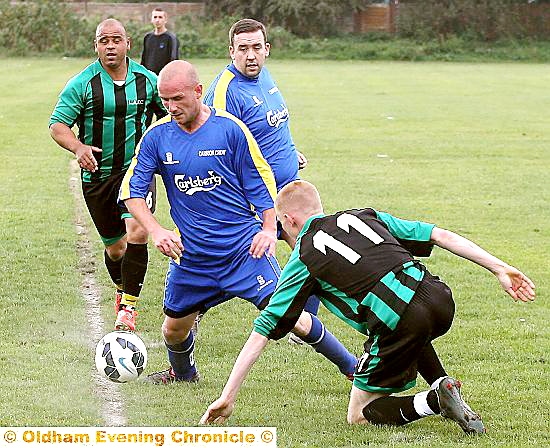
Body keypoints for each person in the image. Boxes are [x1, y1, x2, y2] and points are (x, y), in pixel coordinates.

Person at [201, 180, 536, 434]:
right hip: (439, 298)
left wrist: (228, 395)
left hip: (400, 321)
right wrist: (499, 268)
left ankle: (434, 401)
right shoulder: (361, 215)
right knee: (409, 331)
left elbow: (264, 328)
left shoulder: (303, 256)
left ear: (288, 220)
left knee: (359, 415)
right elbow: (438, 234)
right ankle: (444, 386)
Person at [119, 61, 357, 384]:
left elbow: (262, 183)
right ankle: (184, 375)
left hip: (244, 252)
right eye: (166, 101)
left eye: (178, 99)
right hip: (192, 258)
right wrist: (156, 229)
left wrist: (268, 229)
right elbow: (132, 191)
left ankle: (354, 368)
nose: (172, 108)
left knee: (294, 319)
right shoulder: (157, 137)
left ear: (198, 91)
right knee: (173, 329)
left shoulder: (230, 130)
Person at [203, 19, 320, 341]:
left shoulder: (265, 77)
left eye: (256, 47)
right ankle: (194, 306)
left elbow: (273, 122)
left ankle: (304, 322)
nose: (250, 55)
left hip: (288, 193)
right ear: (231, 52)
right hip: (256, 200)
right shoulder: (226, 91)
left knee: (313, 252)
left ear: (267, 49)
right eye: (243, 49)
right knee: (248, 268)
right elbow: (217, 149)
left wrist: (290, 152)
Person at [49, 19, 166, 332]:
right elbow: (58, 125)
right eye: (104, 41)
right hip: (97, 176)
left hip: (136, 170)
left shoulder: (148, 80)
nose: (110, 46)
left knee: (139, 232)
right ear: (96, 46)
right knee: (116, 248)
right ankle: (122, 290)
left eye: (117, 40)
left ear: (128, 44)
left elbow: (168, 117)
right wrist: (77, 147)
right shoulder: (83, 83)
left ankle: (128, 308)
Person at [141, 7, 180, 75]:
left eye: (160, 17)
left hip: (164, 78)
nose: (157, 20)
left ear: (165, 20)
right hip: (149, 77)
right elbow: (143, 60)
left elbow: (173, 61)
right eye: (155, 17)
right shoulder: (147, 37)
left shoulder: (171, 38)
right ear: (151, 20)